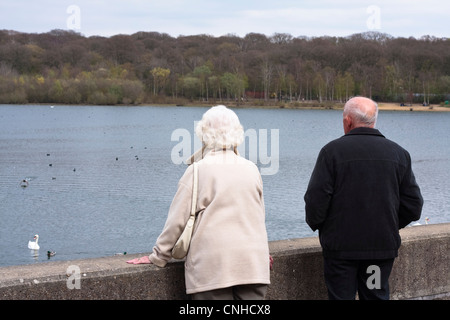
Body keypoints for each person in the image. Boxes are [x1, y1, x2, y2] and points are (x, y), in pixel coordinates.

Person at [127, 105, 270, 300]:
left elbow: (176, 222)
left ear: (204, 134)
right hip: (254, 266)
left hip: (213, 269)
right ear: (237, 133)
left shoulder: (197, 171)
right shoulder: (252, 169)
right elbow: (258, 217)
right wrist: (263, 252)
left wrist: (158, 257)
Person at [304, 96, 423, 300]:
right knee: (374, 296)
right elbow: (413, 205)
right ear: (373, 121)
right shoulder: (399, 154)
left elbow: (316, 202)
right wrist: (389, 224)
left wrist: (325, 228)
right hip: (378, 251)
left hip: (341, 252)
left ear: (348, 121)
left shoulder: (331, 152)